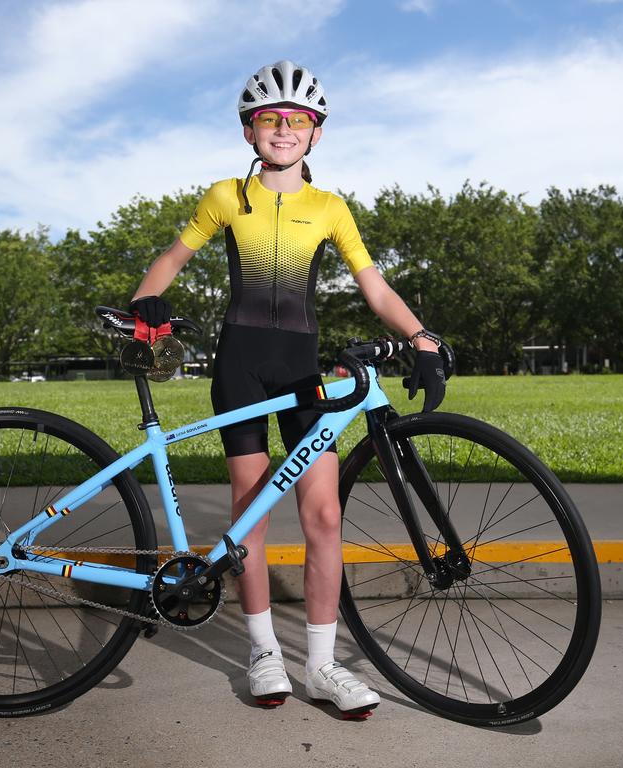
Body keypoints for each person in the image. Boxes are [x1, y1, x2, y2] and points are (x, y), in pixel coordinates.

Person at [130, 60, 445, 718]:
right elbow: (171, 257)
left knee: (324, 516)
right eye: (268, 119)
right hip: (241, 366)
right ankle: (264, 651)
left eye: (296, 120)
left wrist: (422, 337)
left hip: (304, 373)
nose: (282, 129)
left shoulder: (329, 207)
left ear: (316, 134)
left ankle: (323, 667)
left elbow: (375, 287)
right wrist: (147, 305)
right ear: (249, 132)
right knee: (251, 517)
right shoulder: (227, 197)